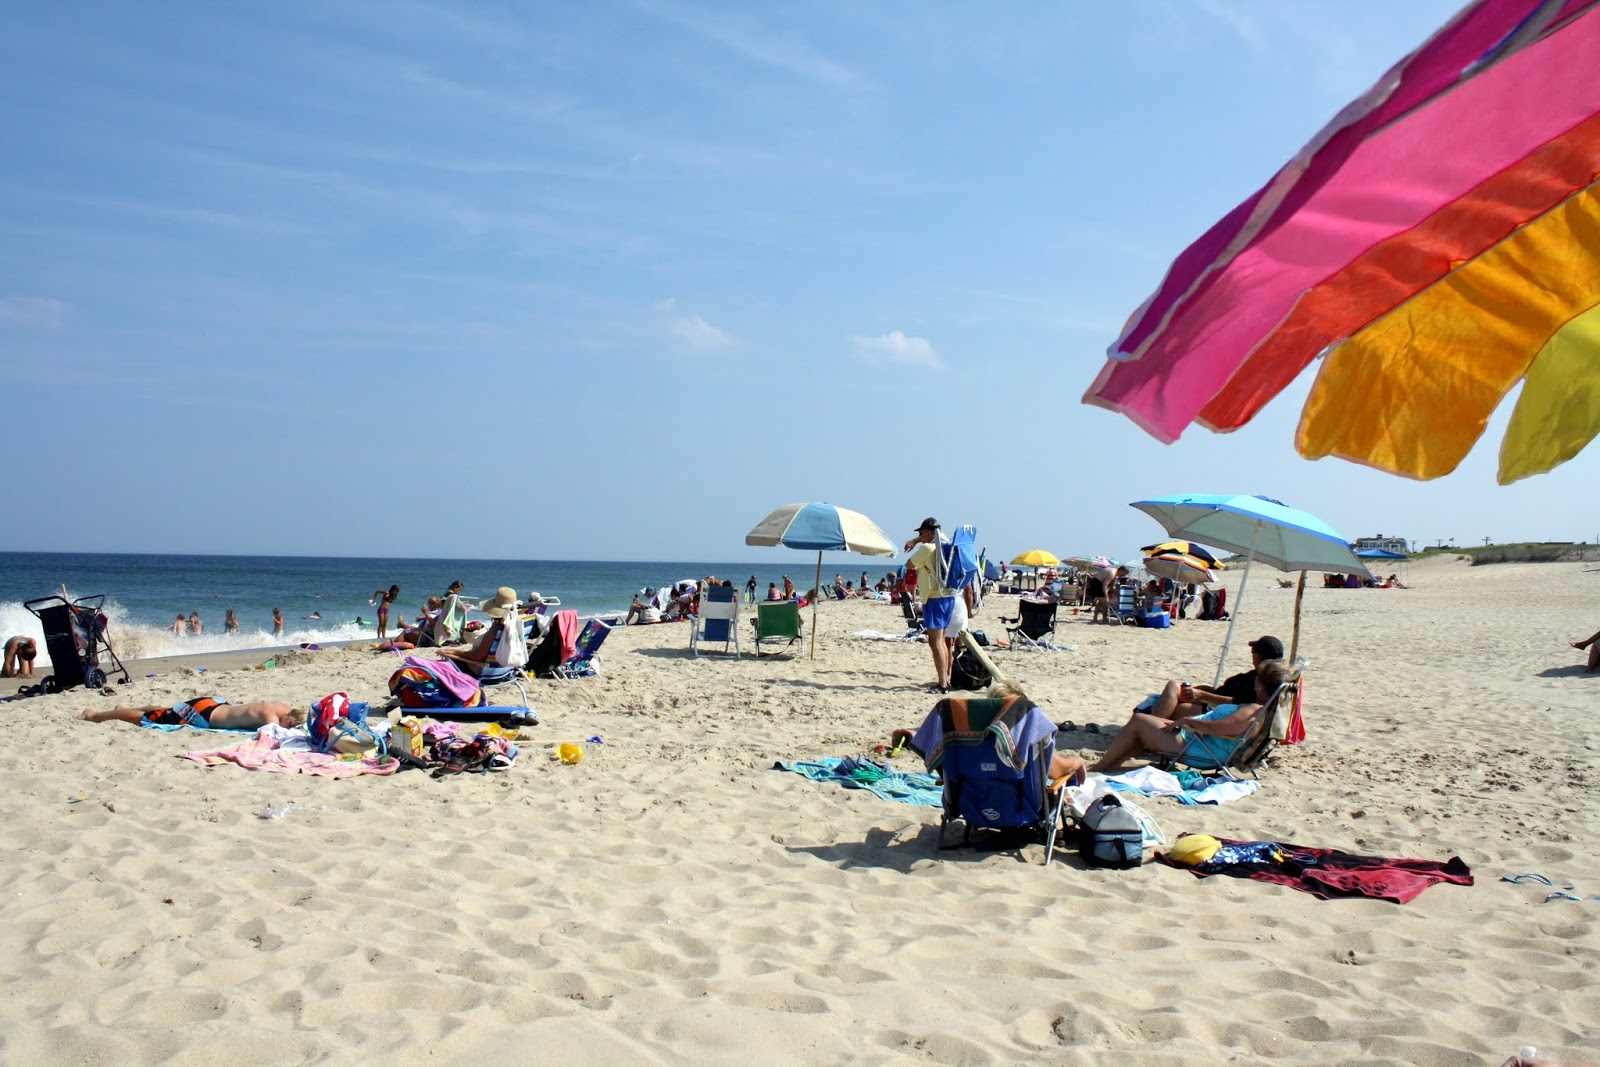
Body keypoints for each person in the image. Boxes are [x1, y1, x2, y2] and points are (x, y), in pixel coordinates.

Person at [1089, 658, 1293, 773]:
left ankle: (1101, 767)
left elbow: (1216, 728)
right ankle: (1113, 763)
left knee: (1139, 721)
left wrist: (1186, 721)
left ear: (1262, 684)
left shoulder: (1253, 712)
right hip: (1200, 740)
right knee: (1148, 723)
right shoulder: (1264, 710)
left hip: (1199, 747)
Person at [1143, 636, 1285, 720]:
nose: (1251, 654)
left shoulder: (1260, 682)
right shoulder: (1265, 677)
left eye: (1253, 651)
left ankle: (1147, 729)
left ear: (1259, 656)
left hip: (1219, 714)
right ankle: (1147, 726)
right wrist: (1207, 691)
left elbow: (1240, 703)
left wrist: (1203, 695)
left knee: (1172, 696)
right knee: (1173, 690)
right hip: (1215, 706)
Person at [905, 517, 959, 693]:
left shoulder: (927, 549)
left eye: (921, 533)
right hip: (948, 597)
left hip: (934, 599)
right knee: (941, 641)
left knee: (935, 643)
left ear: (928, 533)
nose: (920, 536)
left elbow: (909, 564)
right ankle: (945, 679)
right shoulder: (946, 546)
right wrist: (916, 539)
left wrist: (917, 541)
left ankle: (943, 684)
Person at [80, 696, 303, 730]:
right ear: (290, 718)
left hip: (212, 703)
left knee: (165, 712)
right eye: (290, 725)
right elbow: (273, 735)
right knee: (147, 720)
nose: (288, 728)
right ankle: (94, 716)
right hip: (204, 715)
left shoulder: (282, 706)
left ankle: (122, 709)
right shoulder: (271, 717)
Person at [436, 587, 518, 676]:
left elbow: (477, 657)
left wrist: (452, 651)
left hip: (480, 669)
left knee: (440, 664)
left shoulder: (497, 628)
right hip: (505, 670)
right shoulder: (515, 625)